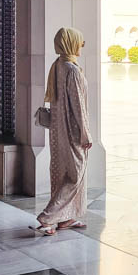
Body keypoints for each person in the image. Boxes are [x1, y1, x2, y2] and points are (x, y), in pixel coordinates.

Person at [35, 27, 92, 236]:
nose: (81, 46)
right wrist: (85, 134)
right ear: (70, 43)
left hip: (57, 131)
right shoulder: (72, 70)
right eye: (79, 42)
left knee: (62, 173)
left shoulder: (57, 65)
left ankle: (66, 217)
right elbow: (78, 106)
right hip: (73, 132)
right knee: (75, 176)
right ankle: (48, 218)